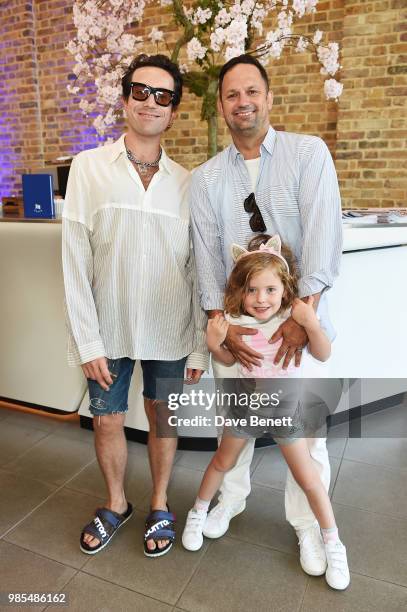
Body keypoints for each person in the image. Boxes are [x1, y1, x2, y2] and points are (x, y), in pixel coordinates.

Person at [189, 53, 342, 577]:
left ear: (269, 97)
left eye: (251, 91)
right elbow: (207, 252)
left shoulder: (307, 154)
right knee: (234, 422)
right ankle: (230, 499)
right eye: (232, 95)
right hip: (237, 326)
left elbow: (324, 235)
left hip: (298, 320)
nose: (242, 102)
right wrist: (219, 320)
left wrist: (306, 316)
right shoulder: (206, 178)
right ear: (222, 106)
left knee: (305, 431)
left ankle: (309, 526)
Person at [62, 54, 208, 558]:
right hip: (109, 327)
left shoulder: (189, 184)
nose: (151, 102)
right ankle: (117, 503)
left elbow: (197, 272)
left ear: (174, 111)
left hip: (171, 327)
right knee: (106, 418)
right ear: (125, 98)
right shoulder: (88, 169)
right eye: (141, 91)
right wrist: (86, 341)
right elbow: (74, 262)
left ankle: (161, 504)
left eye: (163, 96)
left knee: (164, 419)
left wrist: (197, 350)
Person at [182, 235, 350, 590]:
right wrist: (215, 343)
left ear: (285, 289)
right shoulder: (233, 320)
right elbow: (229, 359)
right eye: (253, 290)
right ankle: (197, 513)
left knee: (309, 479)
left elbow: (322, 354)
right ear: (241, 292)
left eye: (271, 290)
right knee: (220, 463)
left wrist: (312, 322)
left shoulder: (295, 318)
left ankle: (333, 543)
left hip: (286, 415)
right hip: (245, 412)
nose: (262, 299)